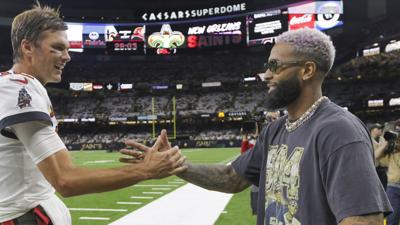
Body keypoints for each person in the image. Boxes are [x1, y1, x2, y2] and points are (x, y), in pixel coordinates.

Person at [123, 28, 392, 225]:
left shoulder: (339, 131)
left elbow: (363, 221)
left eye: (275, 65)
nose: (266, 74)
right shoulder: (276, 130)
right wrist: (176, 165)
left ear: (307, 70)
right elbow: (232, 178)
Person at [0, 4, 185, 225]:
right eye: (57, 48)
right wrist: (146, 170)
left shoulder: (15, 86)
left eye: (67, 49)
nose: (67, 56)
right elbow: (66, 180)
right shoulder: (19, 88)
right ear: (27, 47)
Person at [369, 123, 389, 189]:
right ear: (372, 130)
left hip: (383, 168)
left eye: (381, 129)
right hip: (372, 169)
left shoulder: (382, 139)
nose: (380, 130)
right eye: (378, 129)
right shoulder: (368, 140)